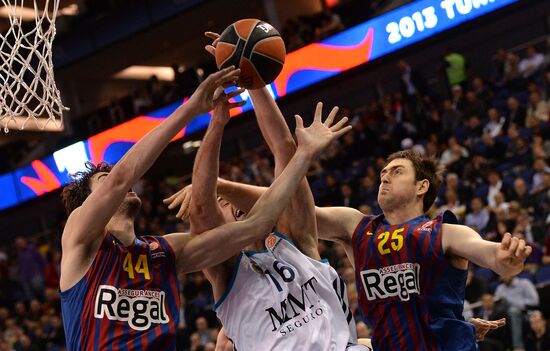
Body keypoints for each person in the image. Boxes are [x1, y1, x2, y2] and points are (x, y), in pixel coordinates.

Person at [58, 66, 318, 351]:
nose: (121, 183)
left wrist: (299, 155)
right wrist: (192, 106)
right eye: (103, 181)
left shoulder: (163, 253)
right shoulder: (80, 239)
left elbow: (256, 225)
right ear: (88, 203)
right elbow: (120, 179)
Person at [200, 150, 531, 350]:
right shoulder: (357, 227)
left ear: (422, 186)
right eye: (382, 172)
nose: (384, 177)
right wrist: (219, 185)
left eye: (396, 171)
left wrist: (506, 260)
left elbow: (490, 254)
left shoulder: (444, 232)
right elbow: (286, 207)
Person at [167, 32, 361, 349]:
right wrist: (217, 124)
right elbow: (203, 212)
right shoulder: (225, 272)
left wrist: (252, 79)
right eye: (223, 203)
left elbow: (284, 150)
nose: (231, 203)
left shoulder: (297, 242)